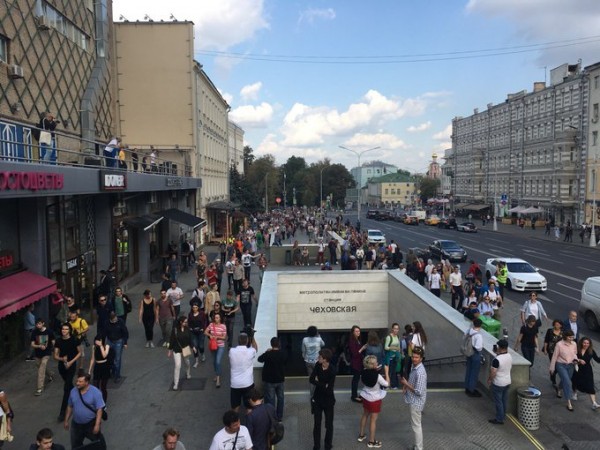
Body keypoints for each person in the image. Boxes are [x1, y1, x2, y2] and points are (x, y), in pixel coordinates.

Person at [64, 371, 106, 449]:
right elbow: (70, 406)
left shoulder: (95, 392)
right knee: (76, 446)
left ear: (86, 382)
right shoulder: (73, 391)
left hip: (90, 424)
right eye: (77, 381)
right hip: (76, 425)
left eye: (80, 381)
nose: (77, 383)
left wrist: (97, 425)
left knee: (98, 443)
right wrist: (66, 420)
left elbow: (99, 410)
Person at [357, 355, 388, 448]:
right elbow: (387, 384)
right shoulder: (378, 376)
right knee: (373, 420)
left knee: (365, 415)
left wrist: (375, 369)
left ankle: (361, 435)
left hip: (365, 397)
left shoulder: (364, 372)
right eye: (376, 362)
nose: (377, 363)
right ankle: (371, 441)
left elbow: (370, 374)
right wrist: (387, 372)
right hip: (375, 399)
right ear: (373, 365)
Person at [53, 323, 82, 422]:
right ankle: (79, 393)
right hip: (62, 366)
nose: (64, 331)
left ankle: (62, 412)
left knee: (66, 388)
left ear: (69, 330)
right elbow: (55, 355)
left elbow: (79, 353)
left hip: (71, 365)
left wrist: (70, 362)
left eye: (66, 329)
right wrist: (62, 359)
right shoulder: (58, 341)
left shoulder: (74, 340)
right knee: (68, 385)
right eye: (63, 329)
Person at [400, 346, 427, 450]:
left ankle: (419, 448)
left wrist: (406, 384)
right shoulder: (415, 366)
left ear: (421, 358)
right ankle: (417, 446)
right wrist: (406, 386)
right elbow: (412, 380)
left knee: (416, 426)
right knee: (416, 425)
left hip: (416, 402)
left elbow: (419, 392)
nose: (414, 359)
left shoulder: (420, 373)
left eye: (416, 357)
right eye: (413, 357)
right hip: (413, 400)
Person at [310, 348, 336, 450]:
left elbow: (329, 389)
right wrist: (323, 384)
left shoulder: (332, 370)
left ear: (325, 359)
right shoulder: (318, 365)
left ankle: (327, 446)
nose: (318, 358)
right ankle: (316, 446)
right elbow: (311, 379)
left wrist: (318, 382)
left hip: (328, 401)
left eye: (320, 357)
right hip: (317, 400)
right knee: (317, 424)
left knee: (329, 425)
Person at [257, 337, 287, 421]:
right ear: (279, 344)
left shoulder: (268, 354)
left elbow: (259, 359)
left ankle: (272, 417)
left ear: (271, 344)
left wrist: (266, 352)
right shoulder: (283, 354)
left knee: (270, 400)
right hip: (280, 379)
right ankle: (279, 416)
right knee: (281, 398)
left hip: (269, 380)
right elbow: (285, 362)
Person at [549, 330, 578, 411]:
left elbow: (575, 353)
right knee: (568, 382)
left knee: (565, 380)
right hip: (561, 365)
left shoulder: (574, 344)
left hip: (571, 365)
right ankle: (569, 402)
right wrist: (552, 367)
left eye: (572, 337)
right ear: (565, 336)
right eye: (569, 337)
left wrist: (576, 359)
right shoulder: (559, 344)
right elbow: (554, 356)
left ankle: (559, 388)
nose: (571, 339)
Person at [229, 333, 258, 411]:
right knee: (249, 407)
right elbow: (255, 348)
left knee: (235, 407)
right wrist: (252, 336)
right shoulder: (251, 351)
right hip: (248, 383)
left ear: (238, 341)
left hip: (235, 384)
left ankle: (235, 418)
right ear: (247, 340)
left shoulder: (232, 351)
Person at [487, 339, 512, 424]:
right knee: (504, 400)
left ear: (500, 347)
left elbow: (493, 372)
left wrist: (489, 379)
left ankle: (499, 419)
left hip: (498, 383)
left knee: (498, 402)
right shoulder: (509, 356)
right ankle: (503, 415)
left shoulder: (496, 360)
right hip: (507, 382)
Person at [571, 336, 600, 409]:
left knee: (590, 386)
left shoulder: (591, 351)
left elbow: (597, 360)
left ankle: (594, 403)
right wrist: (579, 360)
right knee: (575, 382)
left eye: (587, 343)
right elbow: (572, 358)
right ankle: (575, 393)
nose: (586, 344)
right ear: (581, 343)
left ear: (589, 344)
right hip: (577, 369)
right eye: (584, 343)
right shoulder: (577, 349)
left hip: (587, 370)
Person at [30, 317, 55, 396]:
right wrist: (39, 346)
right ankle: (50, 375)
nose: (38, 325)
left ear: (43, 323)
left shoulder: (49, 331)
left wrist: (54, 349)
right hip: (38, 353)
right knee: (40, 366)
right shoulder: (34, 332)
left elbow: (53, 341)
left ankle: (40, 388)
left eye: (39, 324)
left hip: (46, 353)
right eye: (37, 324)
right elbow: (32, 344)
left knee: (41, 369)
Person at [167, 316, 192, 390]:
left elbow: (190, 339)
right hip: (177, 349)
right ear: (181, 322)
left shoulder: (187, 329)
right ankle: (176, 383)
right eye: (185, 322)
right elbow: (172, 340)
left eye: (186, 322)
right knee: (177, 365)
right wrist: (169, 350)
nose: (186, 323)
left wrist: (193, 347)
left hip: (185, 349)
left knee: (187, 362)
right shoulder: (175, 330)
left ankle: (188, 372)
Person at [205, 312, 227, 388]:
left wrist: (217, 337)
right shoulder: (211, 325)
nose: (216, 319)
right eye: (215, 317)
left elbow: (224, 337)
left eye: (217, 317)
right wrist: (210, 335)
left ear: (220, 318)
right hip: (212, 345)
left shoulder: (223, 326)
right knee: (214, 362)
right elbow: (205, 332)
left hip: (220, 346)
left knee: (218, 361)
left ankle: (218, 379)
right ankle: (217, 373)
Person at [105, 311, 128, 382]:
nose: (115, 320)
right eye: (114, 320)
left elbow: (125, 332)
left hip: (118, 341)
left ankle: (117, 376)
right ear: (110, 319)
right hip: (109, 341)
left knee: (117, 359)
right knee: (109, 358)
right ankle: (112, 371)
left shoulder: (120, 321)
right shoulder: (107, 323)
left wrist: (125, 343)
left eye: (116, 319)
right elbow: (104, 332)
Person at [302, 325, 325, 396]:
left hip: (308, 361)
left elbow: (303, 350)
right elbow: (323, 344)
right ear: (316, 332)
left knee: (311, 379)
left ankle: (312, 395)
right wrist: (319, 336)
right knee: (319, 378)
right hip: (317, 362)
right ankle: (318, 394)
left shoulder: (305, 339)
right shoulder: (318, 339)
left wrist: (305, 358)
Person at [88, 334, 111, 402]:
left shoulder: (107, 346)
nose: (98, 342)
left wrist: (101, 346)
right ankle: (97, 401)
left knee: (103, 387)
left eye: (99, 340)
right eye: (97, 340)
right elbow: (92, 359)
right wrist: (89, 370)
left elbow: (104, 355)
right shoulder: (94, 347)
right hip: (97, 367)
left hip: (105, 367)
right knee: (95, 386)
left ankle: (104, 403)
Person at [348, 325, 367, 403]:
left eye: (359, 331)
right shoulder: (352, 341)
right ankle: (354, 396)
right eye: (356, 331)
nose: (358, 332)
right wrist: (362, 348)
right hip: (355, 363)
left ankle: (357, 395)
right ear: (353, 332)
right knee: (355, 380)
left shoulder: (357, 340)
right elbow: (355, 353)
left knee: (358, 379)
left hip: (359, 363)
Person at [542, 319, 563, 387]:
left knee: (558, 366)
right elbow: (546, 340)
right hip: (551, 351)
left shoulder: (563, 332)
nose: (556, 326)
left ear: (561, 325)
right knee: (553, 364)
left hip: (560, 352)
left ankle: (552, 373)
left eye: (558, 325)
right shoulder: (550, 331)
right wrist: (545, 349)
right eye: (555, 324)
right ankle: (553, 380)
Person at [383, 323, 401, 389]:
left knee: (394, 371)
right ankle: (386, 385)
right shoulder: (389, 337)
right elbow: (386, 347)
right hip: (389, 357)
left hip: (395, 357)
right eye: (395, 328)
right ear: (392, 329)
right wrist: (393, 348)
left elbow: (398, 347)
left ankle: (393, 385)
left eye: (397, 329)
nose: (396, 330)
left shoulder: (397, 336)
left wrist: (398, 352)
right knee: (388, 372)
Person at [188, 303, 207, 367]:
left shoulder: (202, 313)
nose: (195, 309)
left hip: (201, 332)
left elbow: (205, 321)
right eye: (193, 307)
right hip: (193, 332)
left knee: (201, 346)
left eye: (196, 307)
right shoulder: (190, 314)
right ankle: (196, 361)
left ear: (198, 308)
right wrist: (190, 328)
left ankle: (202, 353)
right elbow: (189, 322)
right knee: (195, 346)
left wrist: (203, 328)